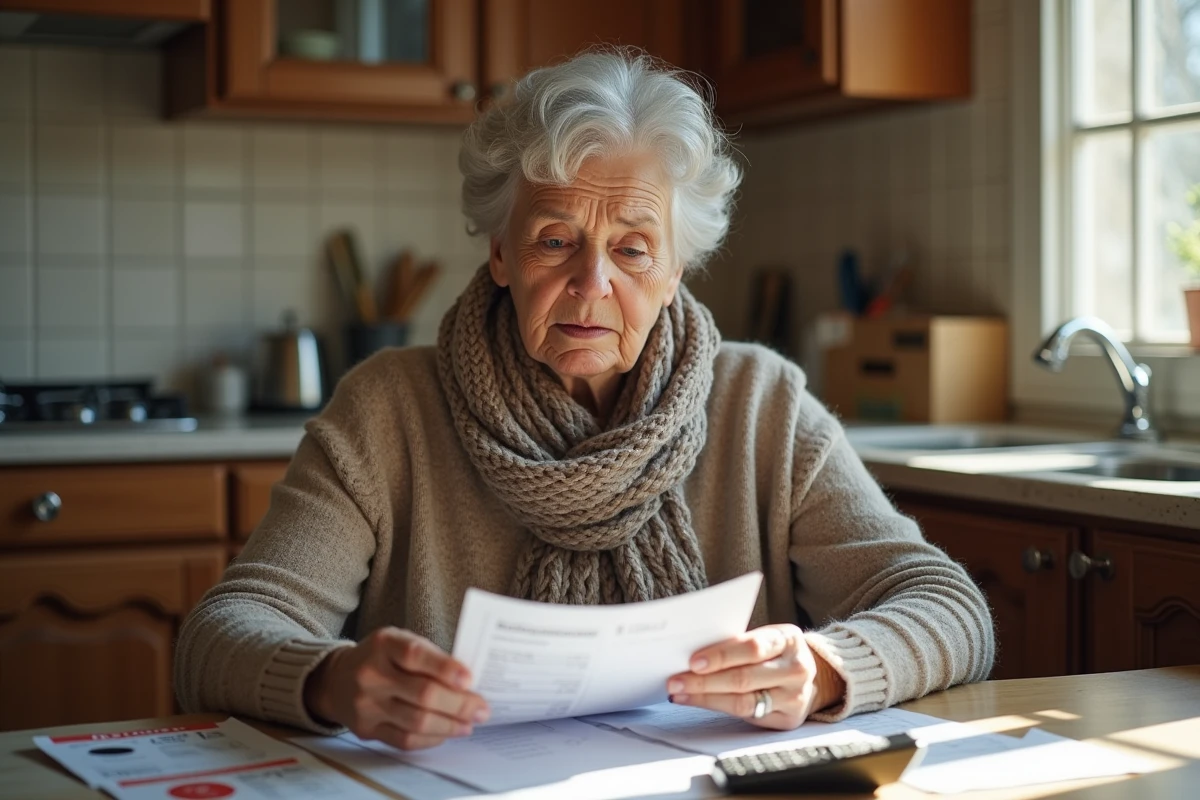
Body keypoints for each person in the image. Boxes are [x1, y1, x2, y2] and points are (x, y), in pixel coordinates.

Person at [175, 50, 994, 752]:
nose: (591, 286)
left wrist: (825, 668)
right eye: (555, 240)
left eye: (633, 249)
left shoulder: (761, 404)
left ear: (676, 269)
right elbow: (220, 634)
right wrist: (329, 679)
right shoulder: (387, 410)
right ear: (500, 253)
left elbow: (950, 608)